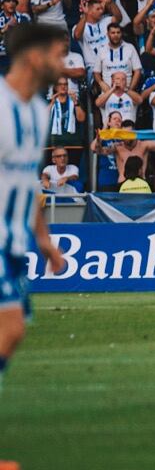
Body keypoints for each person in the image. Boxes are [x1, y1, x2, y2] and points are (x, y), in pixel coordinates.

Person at [0, 22, 70, 393]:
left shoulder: (38, 112)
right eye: (57, 55)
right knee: (9, 329)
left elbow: (28, 183)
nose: (63, 64)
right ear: (32, 56)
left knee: (12, 332)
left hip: (13, 243)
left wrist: (44, 241)